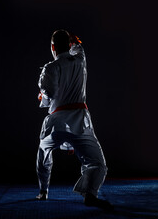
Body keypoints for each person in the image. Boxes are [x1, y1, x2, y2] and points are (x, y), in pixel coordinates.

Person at [36, 29, 113, 210]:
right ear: (69, 46)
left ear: (53, 47)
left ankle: (43, 191)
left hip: (56, 124)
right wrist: (75, 42)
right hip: (80, 123)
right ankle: (90, 194)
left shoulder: (50, 68)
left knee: (43, 154)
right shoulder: (80, 60)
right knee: (97, 164)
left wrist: (42, 96)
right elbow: (79, 49)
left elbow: (48, 97)